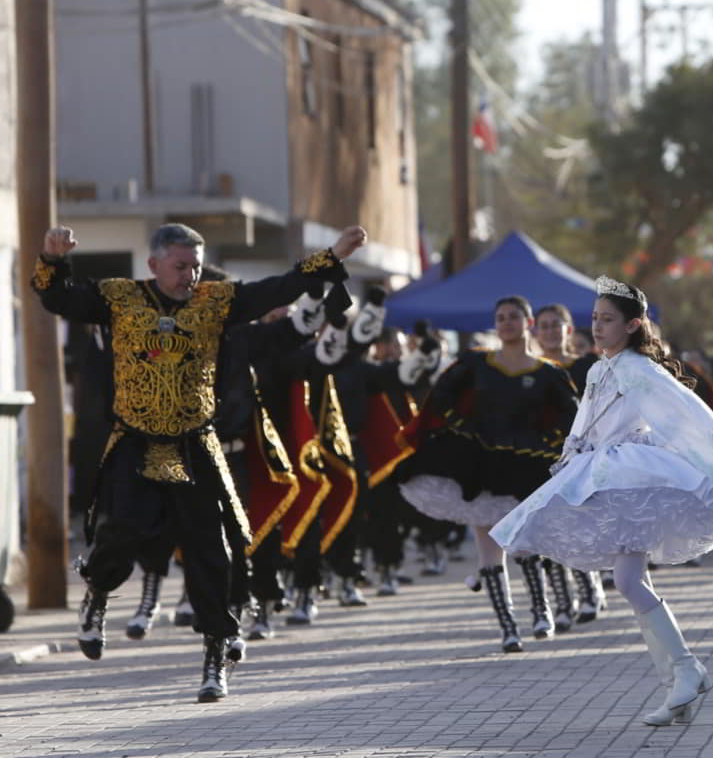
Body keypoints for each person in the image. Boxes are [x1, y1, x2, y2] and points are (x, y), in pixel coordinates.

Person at [32, 222, 365, 702]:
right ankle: (98, 595)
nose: (189, 275)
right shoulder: (119, 298)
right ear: (153, 264)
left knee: (211, 548)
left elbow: (278, 288)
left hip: (196, 443)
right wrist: (52, 259)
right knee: (123, 530)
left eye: (194, 266)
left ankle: (215, 655)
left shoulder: (216, 301)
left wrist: (333, 253)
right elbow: (57, 297)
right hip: (135, 441)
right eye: (179, 266)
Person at [491, 277, 713, 726]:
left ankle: (684, 673)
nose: (598, 327)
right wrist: (569, 455)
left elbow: (690, 419)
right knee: (626, 579)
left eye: (607, 320)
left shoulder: (641, 369)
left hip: (632, 477)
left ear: (633, 324)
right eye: (595, 319)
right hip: (603, 472)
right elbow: (585, 421)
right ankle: (682, 678)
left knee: (626, 581)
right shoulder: (598, 368)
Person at [398, 296, 578, 651]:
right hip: (481, 464)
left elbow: (571, 419)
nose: (507, 323)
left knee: (525, 540)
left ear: (528, 323)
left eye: (514, 317)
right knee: (489, 547)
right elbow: (440, 398)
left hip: (527, 465)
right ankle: (508, 627)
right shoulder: (475, 363)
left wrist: (546, 443)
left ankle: (541, 610)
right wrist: (463, 430)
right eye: (500, 318)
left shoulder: (548, 374)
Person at [533, 303, 607, 627]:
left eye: (555, 325)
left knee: (579, 525)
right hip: (539, 456)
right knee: (549, 529)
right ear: (535, 331)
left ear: (568, 330)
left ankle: (589, 588)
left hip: (582, 456)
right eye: (543, 325)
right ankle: (562, 601)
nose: (549, 331)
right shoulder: (530, 369)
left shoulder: (588, 366)